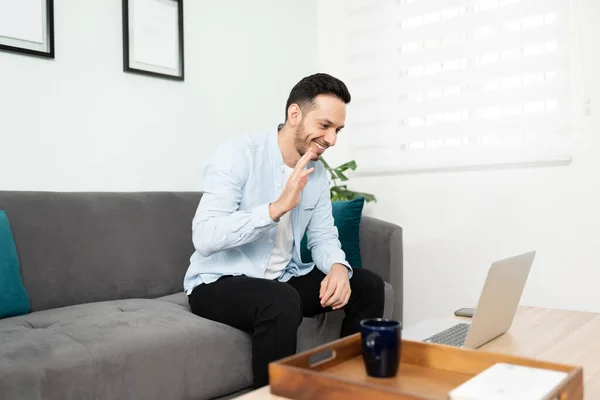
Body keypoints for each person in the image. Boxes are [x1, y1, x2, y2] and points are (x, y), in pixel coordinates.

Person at [184, 73, 385, 388]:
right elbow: (205, 237)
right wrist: (275, 208)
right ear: (295, 115)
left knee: (368, 285)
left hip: (282, 278)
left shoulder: (316, 174)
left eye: (338, 130)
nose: (332, 139)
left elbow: (322, 237)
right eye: (324, 126)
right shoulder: (238, 154)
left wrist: (336, 267)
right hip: (217, 282)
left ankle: (350, 387)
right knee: (280, 300)